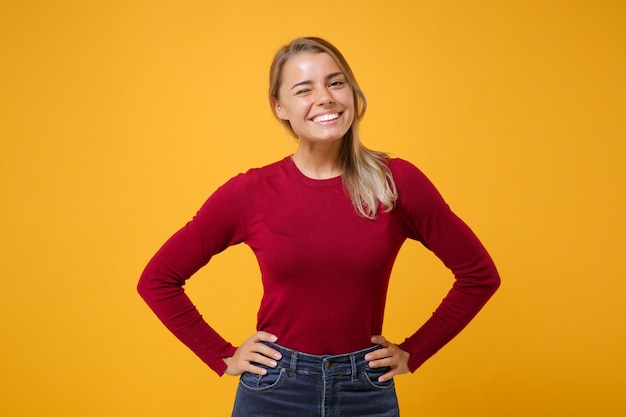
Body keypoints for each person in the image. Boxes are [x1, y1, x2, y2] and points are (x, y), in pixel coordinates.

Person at [137, 36, 500, 417]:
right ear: (280, 108)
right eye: (303, 89)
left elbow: (479, 275)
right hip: (274, 390)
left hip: (365, 390)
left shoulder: (395, 182)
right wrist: (222, 355)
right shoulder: (252, 192)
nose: (325, 97)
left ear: (351, 93)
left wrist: (415, 351)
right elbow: (158, 279)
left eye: (335, 82)